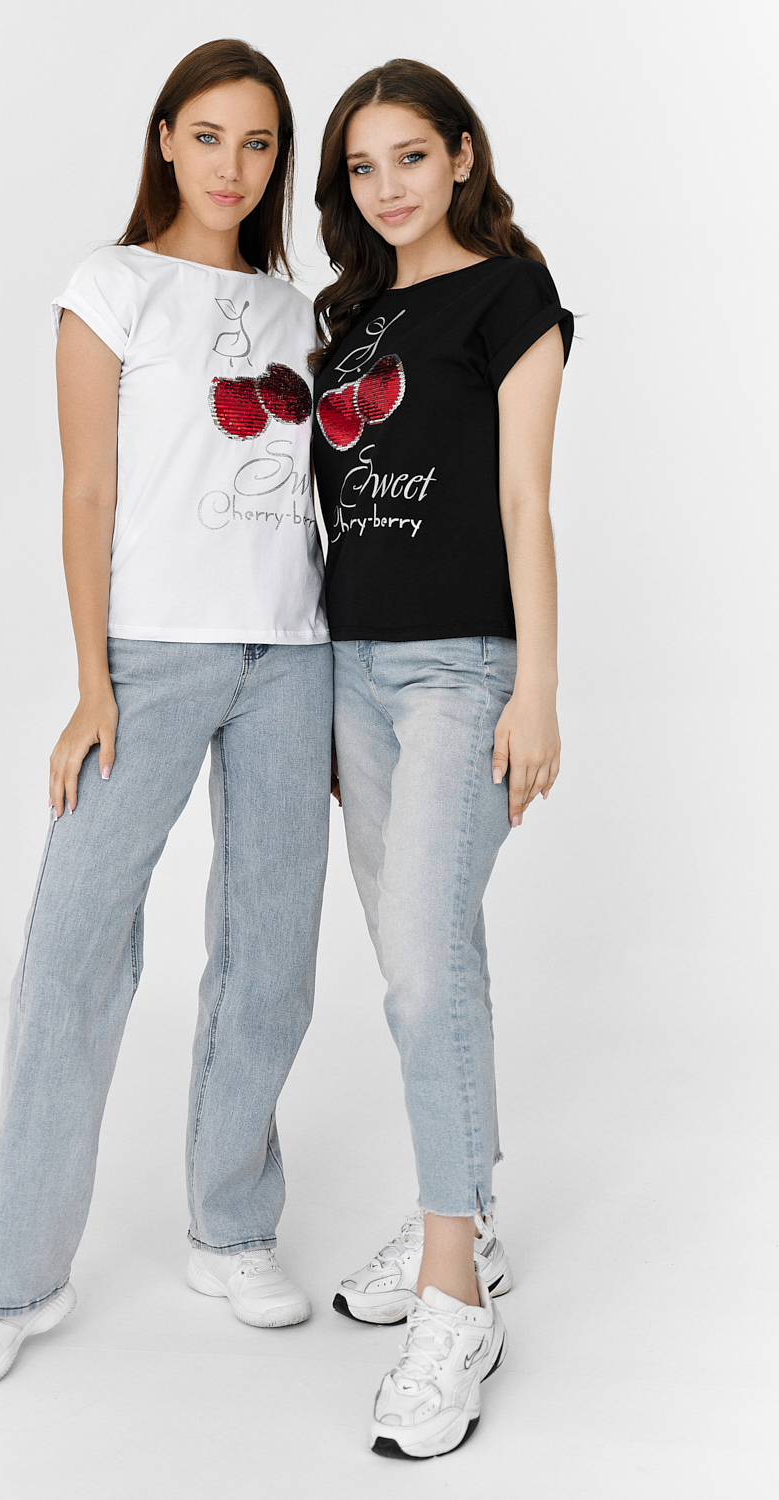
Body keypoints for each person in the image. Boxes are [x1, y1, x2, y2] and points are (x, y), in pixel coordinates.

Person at [0, 39, 332, 1398]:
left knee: (270, 954)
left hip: (293, 657)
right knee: (74, 955)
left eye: (259, 143)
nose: (232, 165)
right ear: (165, 138)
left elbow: (317, 500)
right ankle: (12, 1281)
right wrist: (92, 680)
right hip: (150, 658)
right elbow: (88, 491)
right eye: (208, 135)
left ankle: (232, 1226)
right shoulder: (109, 288)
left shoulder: (301, 315)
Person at [310, 59, 573, 1458]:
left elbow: (526, 499)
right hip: (351, 673)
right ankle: (463, 1213)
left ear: (463, 155)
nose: (388, 186)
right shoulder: (347, 322)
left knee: (420, 970)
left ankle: (455, 1297)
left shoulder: (511, 298)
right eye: (363, 166)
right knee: (434, 959)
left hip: (463, 672)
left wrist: (537, 686)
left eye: (411, 155)